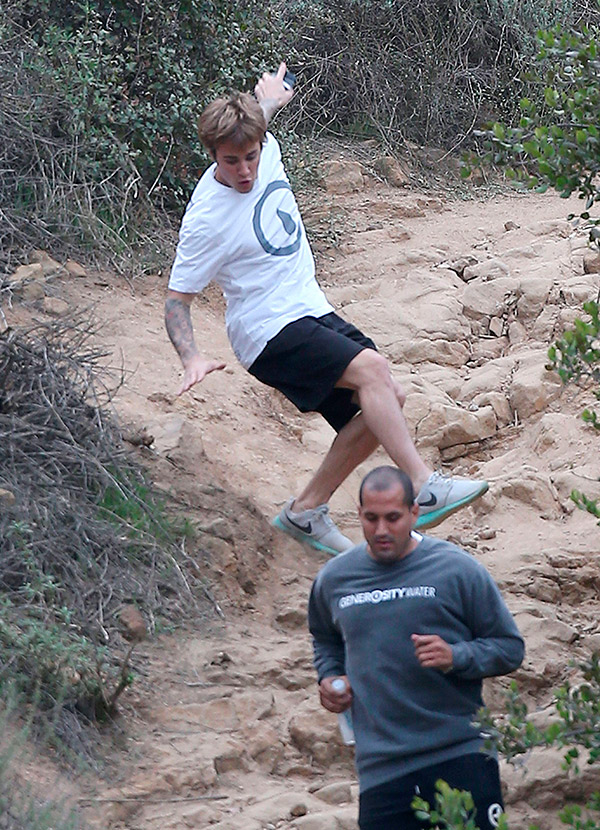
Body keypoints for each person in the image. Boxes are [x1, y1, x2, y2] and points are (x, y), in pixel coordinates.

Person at [164, 62, 489, 557]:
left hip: (307, 308)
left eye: (251, 157)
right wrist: (190, 356)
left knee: (385, 402)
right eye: (231, 162)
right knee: (374, 370)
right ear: (212, 155)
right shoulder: (206, 218)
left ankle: (305, 511)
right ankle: (424, 486)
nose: (245, 171)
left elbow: (262, 114)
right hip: (265, 331)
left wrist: (272, 97)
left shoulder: (262, 142)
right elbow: (176, 300)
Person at [308, 465, 524, 830]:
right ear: (358, 514)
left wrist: (456, 656)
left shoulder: (456, 570)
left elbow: (509, 647)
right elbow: (325, 639)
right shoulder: (334, 578)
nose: (381, 530)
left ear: (414, 512)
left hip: (460, 755)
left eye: (392, 518)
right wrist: (330, 677)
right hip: (382, 771)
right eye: (371, 518)